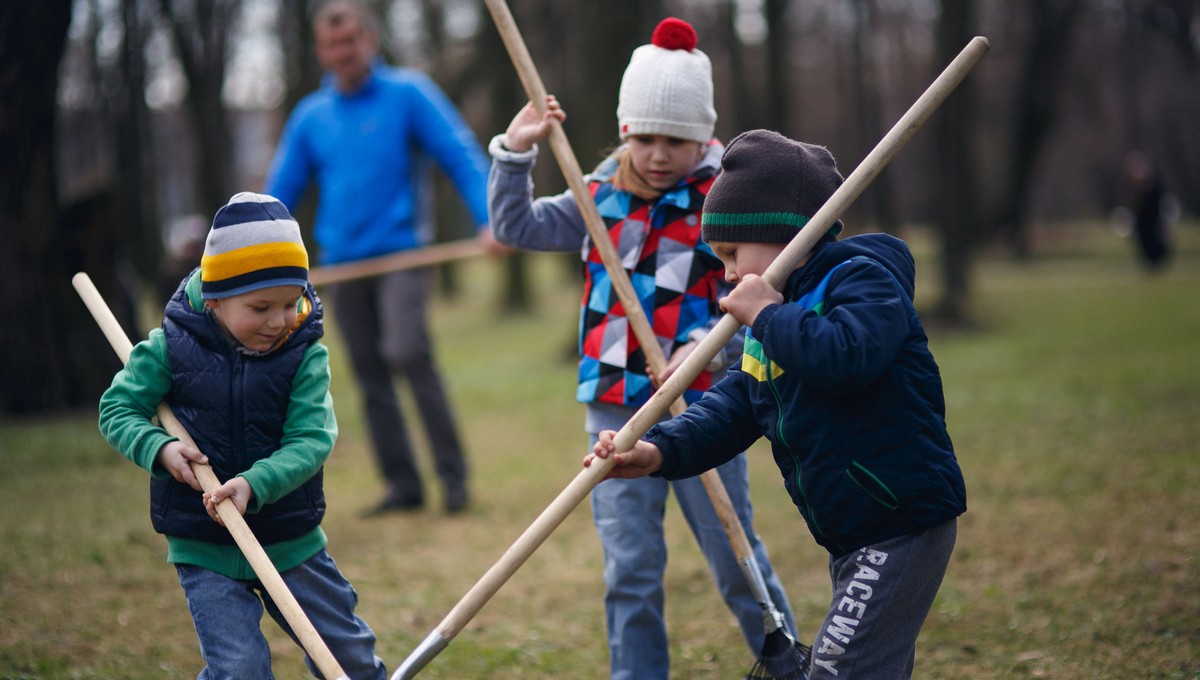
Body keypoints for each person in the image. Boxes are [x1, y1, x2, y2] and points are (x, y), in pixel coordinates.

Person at [590, 129, 969, 679]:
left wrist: (767, 314)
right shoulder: (778, 318)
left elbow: (846, 357)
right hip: (854, 531)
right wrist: (657, 451)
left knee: (837, 667)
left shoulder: (861, 280)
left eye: (731, 254)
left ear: (781, 236)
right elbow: (736, 405)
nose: (727, 275)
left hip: (901, 521)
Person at [488, 19, 796, 680]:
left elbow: (761, 299)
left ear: (702, 137)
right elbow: (514, 226)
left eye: (676, 141)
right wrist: (515, 153)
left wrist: (709, 348)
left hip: (704, 408)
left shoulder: (725, 205)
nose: (659, 154)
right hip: (614, 409)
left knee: (733, 549)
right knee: (629, 567)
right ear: (628, 132)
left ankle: (784, 657)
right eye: (647, 138)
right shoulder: (598, 195)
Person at [98, 192, 387, 679]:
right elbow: (118, 408)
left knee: (348, 660)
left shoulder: (303, 353)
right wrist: (159, 448)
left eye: (290, 303)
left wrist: (256, 483)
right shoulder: (172, 347)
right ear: (214, 298)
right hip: (204, 543)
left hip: (288, 537)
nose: (278, 321)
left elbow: (312, 439)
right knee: (241, 670)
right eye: (260, 307)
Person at [265, 0, 493, 515]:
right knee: (368, 370)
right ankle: (403, 486)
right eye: (332, 44)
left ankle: (453, 479)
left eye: (350, 41)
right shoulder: (311, 116)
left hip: (401, 256)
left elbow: (459, 153)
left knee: (408, 351)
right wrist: (252, 247)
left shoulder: (408, 94)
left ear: (370, 40)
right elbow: (280, 192)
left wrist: (489, 218)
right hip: (343, 264)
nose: (342, 52)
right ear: (322, 51)